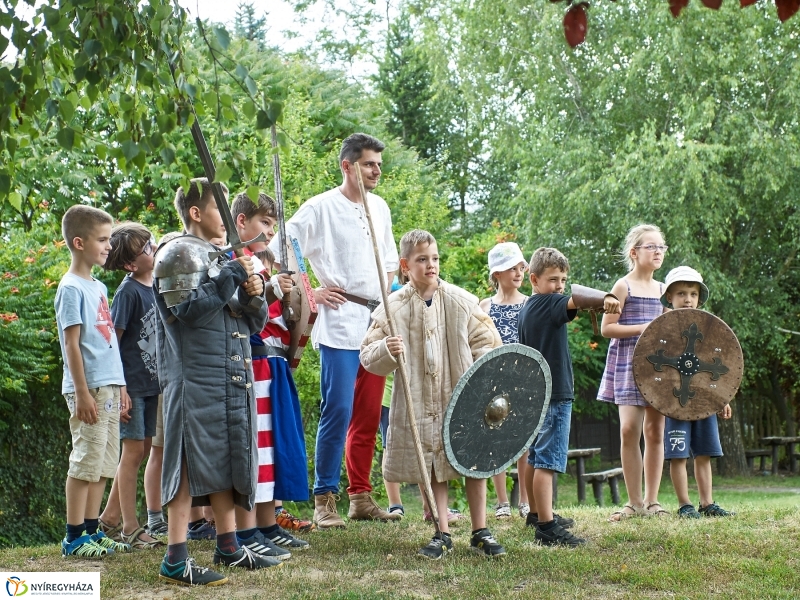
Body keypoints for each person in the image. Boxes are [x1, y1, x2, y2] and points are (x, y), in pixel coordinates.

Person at [268, 133, 400, 528]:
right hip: (341, 321)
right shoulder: (321, 207)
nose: (376, 170)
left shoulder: (380, 207)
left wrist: (386, 303)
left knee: (368, 413)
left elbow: (390, 261)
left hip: (375, 322)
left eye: (378, 163)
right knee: (338, 410)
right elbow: (282, 245)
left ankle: (360, 496)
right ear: (347, 166)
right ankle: (324, 499)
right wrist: (311, 290)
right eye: (368, 164)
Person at [154, 178, 277, 587]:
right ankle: (175, 557)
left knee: (227, 458)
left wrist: (255, 293)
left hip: (228, 374)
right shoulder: (176, 254)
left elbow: (248, 320)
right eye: (218, 208)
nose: (226, 219)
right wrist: (230, 277)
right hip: (194, 377)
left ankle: (228, 545)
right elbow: (189, 312)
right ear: (195, 212)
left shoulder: (222, 257)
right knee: (188, 462)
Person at [361, 229, 506, 559]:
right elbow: (367, 355)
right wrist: (386, 348)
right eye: (422, 259)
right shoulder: (392, 308)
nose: (431, 265)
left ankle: (480, 529)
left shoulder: (461, 301)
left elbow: (488, 344)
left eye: (435, 258)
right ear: (405, 265)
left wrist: (480, 375)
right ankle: (441, 530)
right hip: (418, 399)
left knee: (472, 459)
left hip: (462, 395)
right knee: (433, 462)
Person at [519, 247, 620, 546]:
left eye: (563, 279)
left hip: (536, 394)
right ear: (534, 279)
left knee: (536, 458)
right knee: (548, 461)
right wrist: (606, 298)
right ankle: (547, 529)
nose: (560, 286)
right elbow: (577, 300)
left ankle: (536, 514)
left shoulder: (528, 307)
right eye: (553, 279)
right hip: (554, 395)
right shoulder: (549, 303)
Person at [229, 192, 310, 559]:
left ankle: (267, 524)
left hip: (274, 363)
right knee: (256, 449)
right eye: (265, 224)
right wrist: (272, 288)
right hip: (255, 361)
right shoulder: (236, 262)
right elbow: (245, 312)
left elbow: (283, 318)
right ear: (241, 222)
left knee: (272, 450)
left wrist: (291, 299)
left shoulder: (261, 263)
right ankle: (249, 531)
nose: (269, 232)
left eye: (273, 226)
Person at [55, 205, 131, 558]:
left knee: (103, 462)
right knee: (85, 460)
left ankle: (90, 530)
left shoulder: (98, 286)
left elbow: (108, 341)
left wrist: (122, 386)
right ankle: (73, 537)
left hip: (110, 386)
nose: (108, 246)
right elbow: (72, 343)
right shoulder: (71, 288)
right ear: (79, 242)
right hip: (89, 390)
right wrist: (82, 392)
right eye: (103, 240)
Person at [96, 223, 163, 550]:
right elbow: (112, 343)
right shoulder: (128, 292)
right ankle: (131, 528)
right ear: (130, 265)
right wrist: (120, 388)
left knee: (143, 450)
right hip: (131, 387)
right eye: (146, 248)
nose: (153, 248)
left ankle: (108, 520)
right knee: (133, 452)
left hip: (152, 385)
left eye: (151, 243)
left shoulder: (154, 286)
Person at [598, 224, 668, 521]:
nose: (657, 252)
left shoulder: (665, 290)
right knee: (629, 430)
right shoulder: (622, 286)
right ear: (634, 252)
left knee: (654, 432)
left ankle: (652, 501)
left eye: (661, 247)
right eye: (651, 246)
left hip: (660, 368)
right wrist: (643, 329)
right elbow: (606, 328)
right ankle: (634, 501)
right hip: (628, 363)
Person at [660, 266, 735, 518]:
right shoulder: (662, 330)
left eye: (693, 293)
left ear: (699, 298)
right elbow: (653, 370)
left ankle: (707, 503)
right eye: (681, 293)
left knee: (704, 454)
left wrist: (721, 397)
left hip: (704, 402)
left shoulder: (709, 329)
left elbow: (718, 366)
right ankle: (685, 504)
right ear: (669, 296)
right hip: (675, 403)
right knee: (678, 455)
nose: (688, 299)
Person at [479, 242, 530, 519]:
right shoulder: (484, 306)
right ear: (496, 273)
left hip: (522, 380)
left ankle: (524, 500)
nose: (518, 272)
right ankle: (501, 503)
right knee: (496, 439)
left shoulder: (529, 303)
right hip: (493, 381)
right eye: (511, 267)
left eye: (521, 266)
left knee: (522, 440)